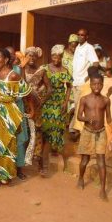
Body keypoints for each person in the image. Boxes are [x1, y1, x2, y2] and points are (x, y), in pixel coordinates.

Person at [0, 48, 32, 186]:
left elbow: (27, 92)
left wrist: (32, 110)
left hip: (7, 115)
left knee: (6, 145)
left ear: (6, 60)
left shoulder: (13, 75)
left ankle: (5, 175)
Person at [76, 73, 112, 200]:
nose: (97, 86)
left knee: (101, 161)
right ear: (90, 85)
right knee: (84, 160)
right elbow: (79, 116)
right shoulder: (84, 99)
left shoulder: (106, 100)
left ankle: (102, 189)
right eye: (94, 84)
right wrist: (87, 119)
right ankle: (80, 178)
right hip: (87, 132)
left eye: (99, 84)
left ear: (102, 84)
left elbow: (108, 117)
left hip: (101, 133)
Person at [41, 44, 72, 175]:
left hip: (59, 102)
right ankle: (43, 160)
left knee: (58, 128)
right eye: (54, 56)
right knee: (46, 129)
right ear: (51, 56)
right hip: (47, 102)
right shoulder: (45, 69)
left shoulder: (65, 71)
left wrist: (66, 102)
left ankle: (54, 153)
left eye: (58, 57)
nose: (56, 59)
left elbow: (69, 86)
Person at [24, 47, 52, 172]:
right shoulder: (21, 69)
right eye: (29, 55)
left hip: (37, 105)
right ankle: (20, 163)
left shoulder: (41, 71)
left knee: (38, 131)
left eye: (34, 56)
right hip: (22, 104)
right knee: (23, 132)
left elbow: (50, 89)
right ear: (25, 56)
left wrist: (42, 101)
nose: (32, 58)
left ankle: (40, 162)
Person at [69, 28, 99, 141]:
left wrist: (89, 76)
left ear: (87, 37)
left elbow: (95, 63)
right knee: (77, 106)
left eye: (83, 35)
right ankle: (76, 129)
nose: (80, 36)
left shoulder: (89, 48)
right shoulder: (77, 47)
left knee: (80, 107)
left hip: (83, 83)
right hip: (75, 82)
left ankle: (76, 130)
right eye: (79, 34)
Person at [6, 46, 30, 179]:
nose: (11, 57)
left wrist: (23, 69)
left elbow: (25, 86)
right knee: (6, 138)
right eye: (8, 55)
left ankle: (19, 168)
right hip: (4, 108)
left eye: (12, 55)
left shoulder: (18, 70)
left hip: (17, 106)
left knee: (20, 138)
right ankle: (6, 167)